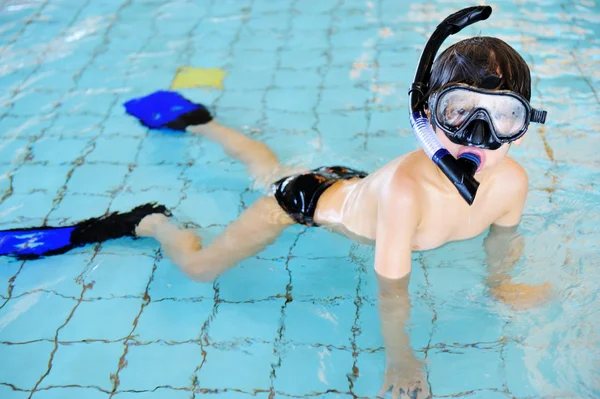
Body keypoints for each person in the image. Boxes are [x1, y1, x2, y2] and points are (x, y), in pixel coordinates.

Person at [134, 6, 552, 398]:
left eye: (503, 116)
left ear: (525, 123)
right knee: (200, 267)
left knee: (266, 170)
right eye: (458, 111)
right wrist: (400, 357)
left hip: (352, 184)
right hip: (306, 200)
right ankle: (153, 220)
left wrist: (502, 285)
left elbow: (502, 241)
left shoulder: (512, 182)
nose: (478, 135)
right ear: (425, 114)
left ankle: (203, 124)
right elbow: (392, 292)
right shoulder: (405, 194)